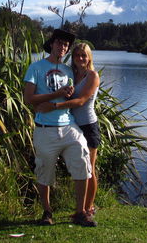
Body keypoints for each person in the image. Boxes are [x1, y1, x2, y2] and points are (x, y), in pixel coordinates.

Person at [23, 29, 97, 227]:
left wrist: (66, 94)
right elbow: (28, 98)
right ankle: (47, 212)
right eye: (59, 43)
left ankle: (81, 212)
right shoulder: (36, 67)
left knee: (83, 163)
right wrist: (54, 95)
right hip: (45, 128)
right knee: (44, 170)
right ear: (51, 44)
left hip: (69, 126)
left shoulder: (68, 71)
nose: (62, 47)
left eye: (65, 45)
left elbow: (75, 96)